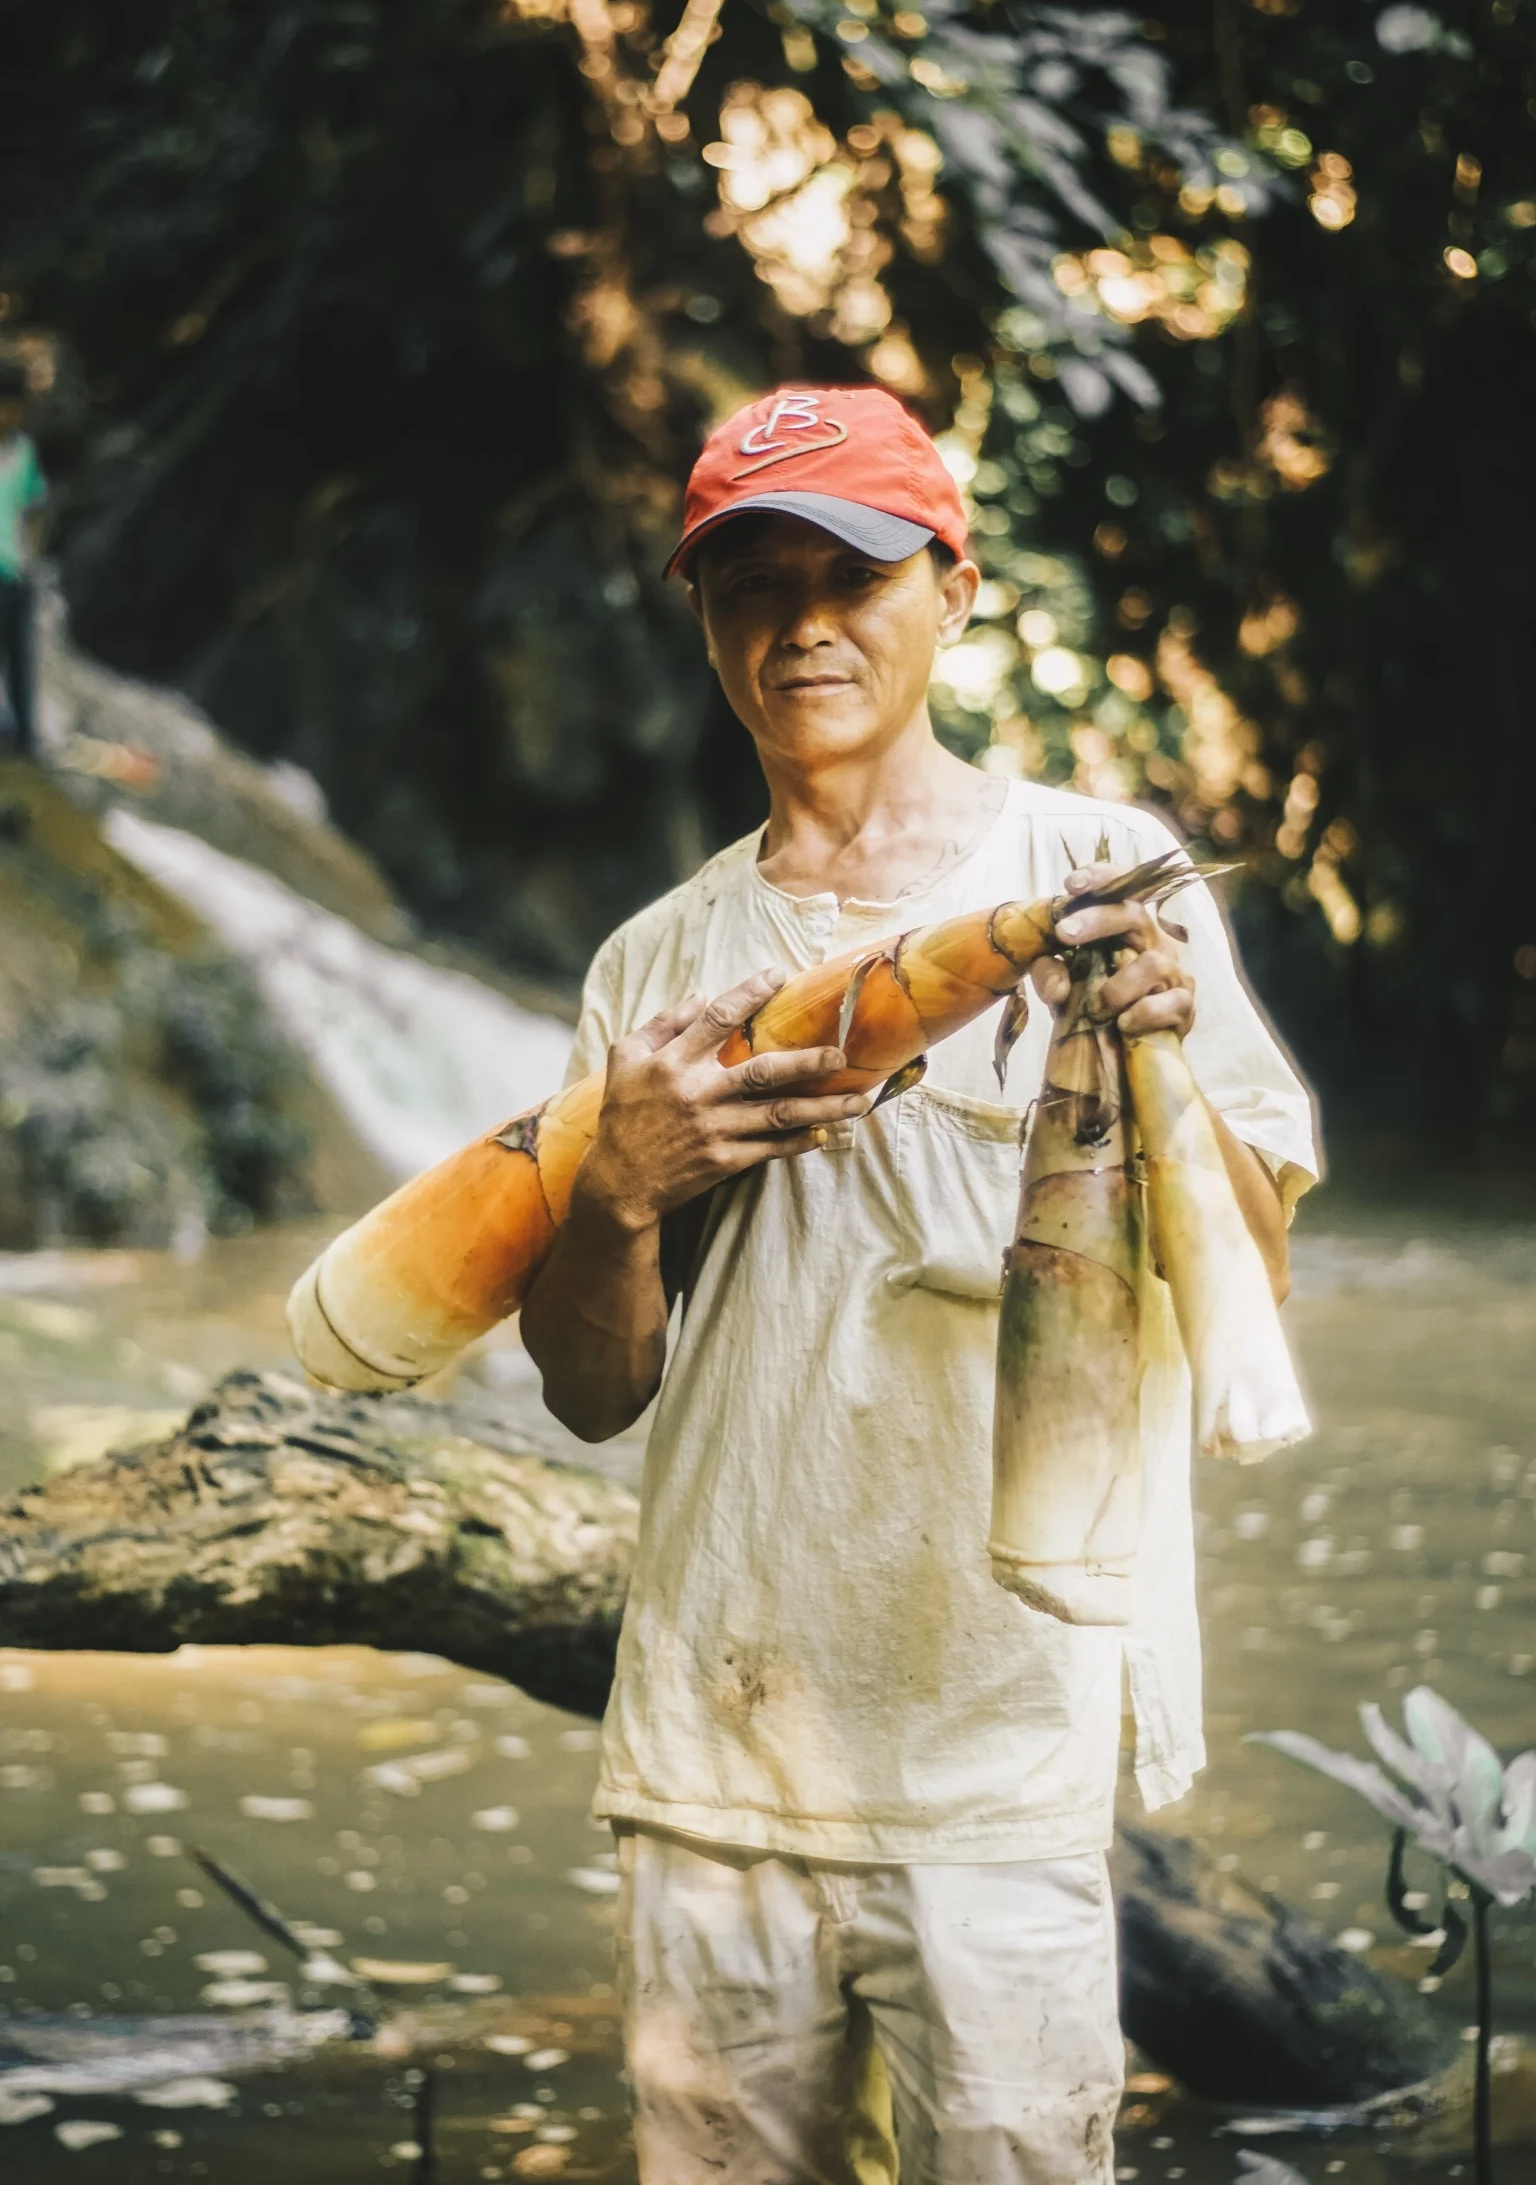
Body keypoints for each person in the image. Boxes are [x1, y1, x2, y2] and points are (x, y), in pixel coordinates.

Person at [520, 383, 1317, 2184]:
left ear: (950, 588)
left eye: (853, 570)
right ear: (706, 616)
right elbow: (587, 1386)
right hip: (716, 1748)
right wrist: (619, 1196)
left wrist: (1162, 1081)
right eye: (751, 580)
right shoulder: (656, 968)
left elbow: (1247, 1308)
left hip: (996, 1743)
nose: (801, 620)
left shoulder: (1106, 886)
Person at [0, 360, 45, 759]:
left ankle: (25, 740)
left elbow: (34, 508)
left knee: (19, 661)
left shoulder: (24, 451)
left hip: (14, 574)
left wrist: (30, 562)